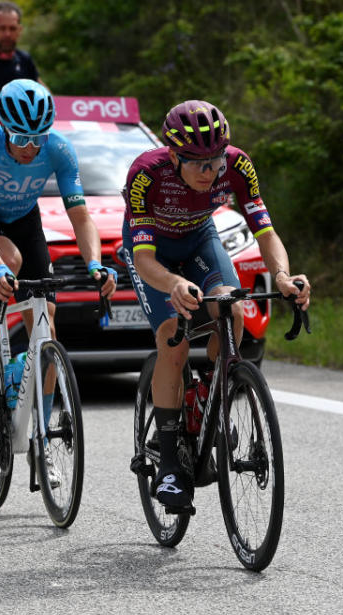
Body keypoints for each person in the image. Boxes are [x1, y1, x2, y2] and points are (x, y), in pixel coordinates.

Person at [121, 100, 311, 511]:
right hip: (153, 253)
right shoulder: (145, 174)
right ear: (174, 156)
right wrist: (172, 283)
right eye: (198, 163)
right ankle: (170, 462)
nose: (210, 171)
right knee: (172, 339)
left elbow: (266, 231)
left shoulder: (238, 166)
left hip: (199, 239)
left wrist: (282, 276)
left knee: (232, 308)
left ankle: (209, 393)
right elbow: (143, 260)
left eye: (215, 160)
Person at [0, 79, 116, 433]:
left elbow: (81, 218)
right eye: (22, 138)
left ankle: (40, 433)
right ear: (3, 128)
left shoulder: (59, 150)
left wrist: (94, 263)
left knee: (48, 328)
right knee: (8, 261)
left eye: (38, 138)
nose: (30, 148)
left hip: (24, 219)